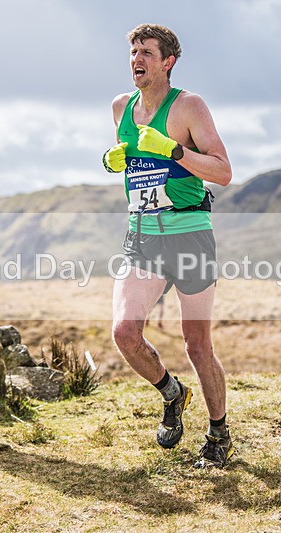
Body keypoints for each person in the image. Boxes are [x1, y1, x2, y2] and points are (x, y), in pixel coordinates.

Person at [104, 24, 234, 468]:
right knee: (124, 332)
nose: (136, 59)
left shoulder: (190, 106)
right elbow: (127, 161)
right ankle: (171, 392)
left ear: (167, 62)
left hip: (190, 233)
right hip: (142, 234)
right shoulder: (121, 106)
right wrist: (112, 159)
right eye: (133, 52)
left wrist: (174, 151)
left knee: (197, 344)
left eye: (146, 52)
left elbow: (222, 171)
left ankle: (219, 434)